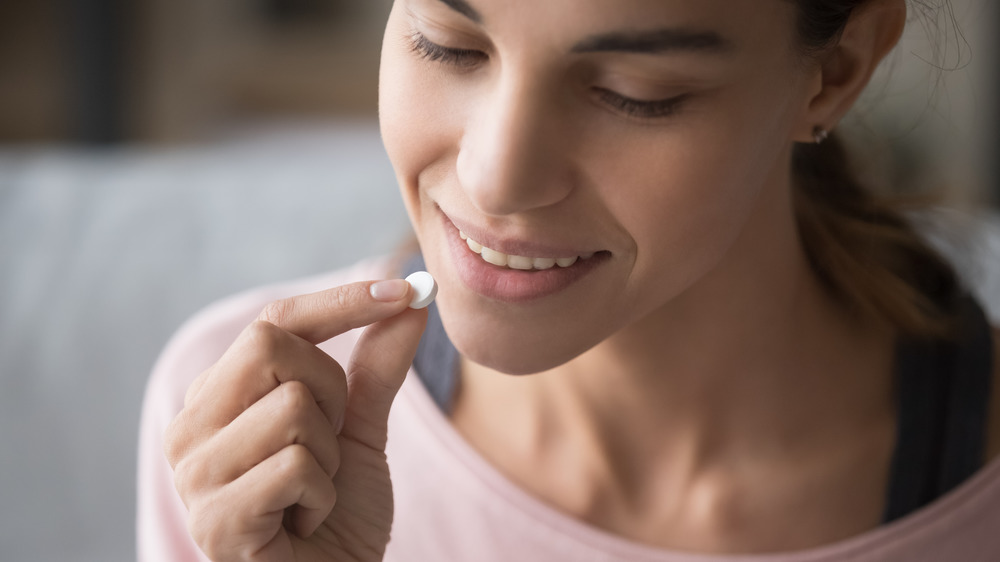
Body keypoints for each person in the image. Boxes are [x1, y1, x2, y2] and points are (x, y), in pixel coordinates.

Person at [138, 0, 1000, 560]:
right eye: (448, 45)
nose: (495, 177)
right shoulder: (245, 429)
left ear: (836, 72)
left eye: (634, 91)